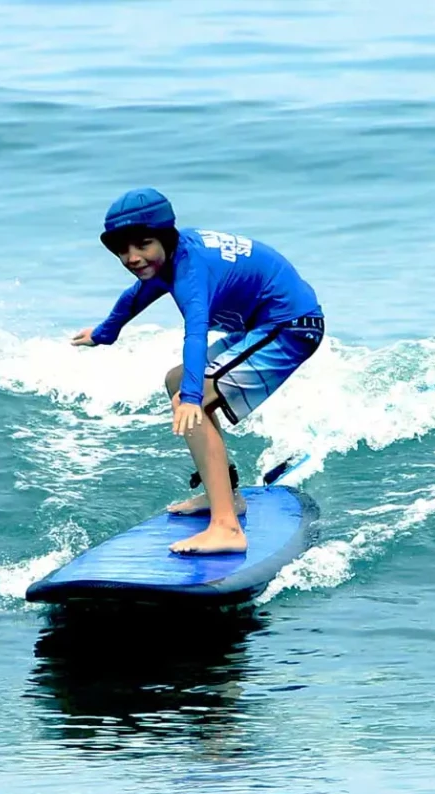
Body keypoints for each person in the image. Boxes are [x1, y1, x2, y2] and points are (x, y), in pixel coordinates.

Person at [72, 188, 324, 555]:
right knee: (177, 379)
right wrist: (104, 333)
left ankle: (226, 528)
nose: (133, 258)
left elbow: (195, 331)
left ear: (165, 237)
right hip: (261, 326)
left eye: (142, 245)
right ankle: (228, 495)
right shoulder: (171, 258)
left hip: (291, 326)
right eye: (123, 250)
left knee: (192, 393)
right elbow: (137, 295)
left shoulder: (191, 270)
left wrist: (192, 398)